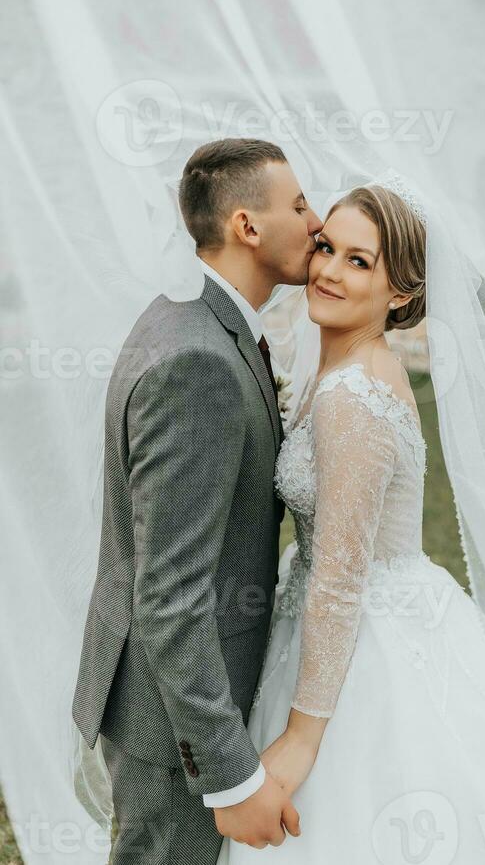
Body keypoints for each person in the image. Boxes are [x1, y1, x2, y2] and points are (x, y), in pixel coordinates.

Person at [218, 183, 485, 863]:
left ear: (400, 293)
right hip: (344, 615)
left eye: (360, 262)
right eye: (327, 247)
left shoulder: (354, 396)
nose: (329, 269)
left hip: (367, 641)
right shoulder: (343, 369)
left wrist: (302, 739)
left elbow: (338, 573)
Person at [71, 138, 323, 863]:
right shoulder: (198, 363)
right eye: (300, 204)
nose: (317, 222)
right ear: (247, 225)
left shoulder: (195, 323)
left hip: (170, 697)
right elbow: (171, 594)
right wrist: (230, 775)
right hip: (172, 720)